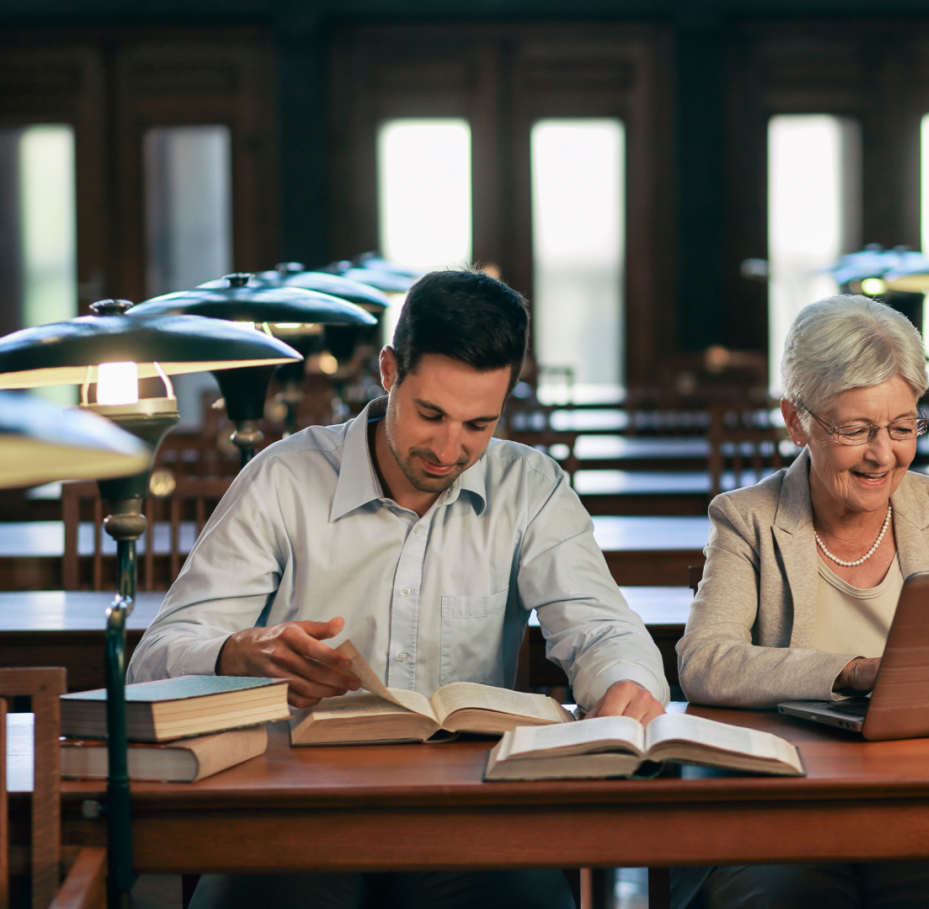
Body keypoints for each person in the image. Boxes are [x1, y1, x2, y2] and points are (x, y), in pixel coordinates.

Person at [130, 269, 668, 909]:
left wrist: (624, 682)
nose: (449, 448)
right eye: (431, 414)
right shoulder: (281, 477)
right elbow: (153, 664)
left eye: (478, 424)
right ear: (389, 371)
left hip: (471, 814)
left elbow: (601, 628)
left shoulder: (531, 487)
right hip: (295, 811)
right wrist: (234, 656)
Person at [672, 295, 929, 909]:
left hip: (927, 799)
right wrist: (853, 671)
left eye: (903, 427)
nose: (883, 454)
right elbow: (704, 661)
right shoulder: (746, 519)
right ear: (796, 420)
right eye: (856, 430)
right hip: (784, 804)